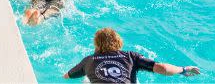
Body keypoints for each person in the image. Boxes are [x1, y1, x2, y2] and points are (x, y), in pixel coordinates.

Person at [63, 27, 201, 82]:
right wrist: (183, 70)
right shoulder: (130, 56)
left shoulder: (89, 60)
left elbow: (68, 76)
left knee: (87, 80)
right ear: (118, 42)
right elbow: (163, 68)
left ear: (96, 45)